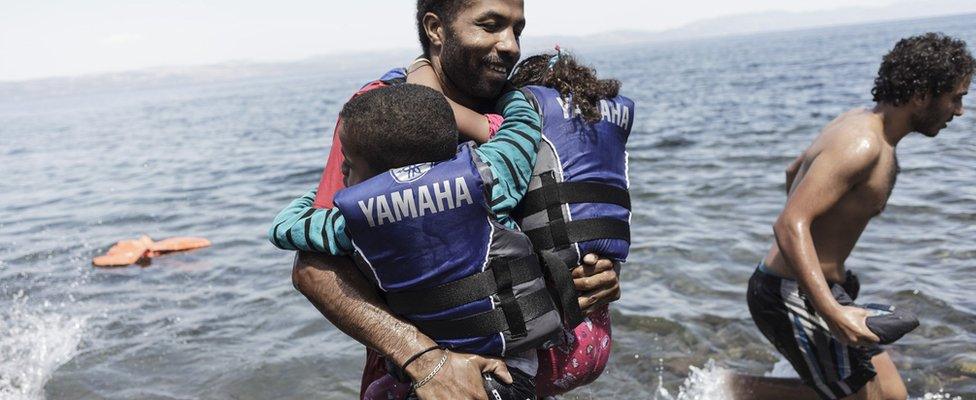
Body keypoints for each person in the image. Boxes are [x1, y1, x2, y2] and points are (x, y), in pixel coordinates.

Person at [290, 2, 621, 399]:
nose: (510, 44)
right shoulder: (381, 119)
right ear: (436, 29)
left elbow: (549, 226)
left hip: (521, 373)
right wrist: (427, 360)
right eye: (491, 25)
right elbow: (313, 269)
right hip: (426, 382)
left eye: (518, 29)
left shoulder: (519, 103)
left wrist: (596, 275)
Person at [270, 83, 559, 399]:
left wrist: (325, 195)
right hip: (511, 376)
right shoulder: (490, 175)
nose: (342, 168)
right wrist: (511, 95)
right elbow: (522, 130)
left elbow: (286, 228)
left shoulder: (356, 223)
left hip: (431, 379)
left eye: (349, 164)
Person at [746, 33, 973, 400]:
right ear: (921, 95)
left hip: (819, 288)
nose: (960, 110)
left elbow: (793, 171)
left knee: (893, 395)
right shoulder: (861, 144)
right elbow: (789, 222)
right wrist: (832, 311)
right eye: (956, 97)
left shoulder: (860, 124)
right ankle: (729, 390)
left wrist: (828, 266)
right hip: (789, 292)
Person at [405, 48, 634, 395]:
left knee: (387, 390)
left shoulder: (519, 131)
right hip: (593, 343)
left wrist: (420, 65)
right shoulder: (592, 142)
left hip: (542, 356)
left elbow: (430, 106)